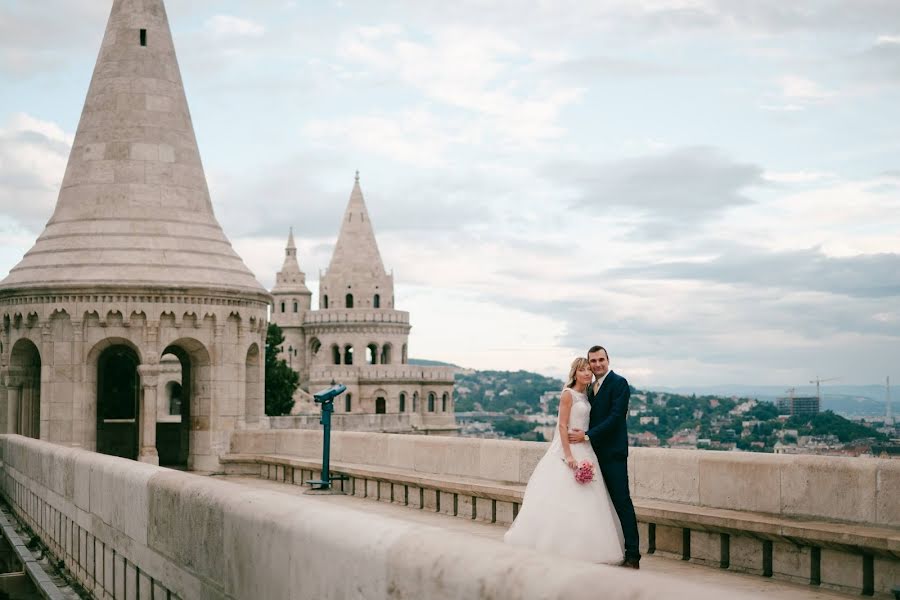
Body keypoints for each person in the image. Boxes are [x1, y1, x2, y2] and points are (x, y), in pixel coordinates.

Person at [504, 357, 624, 564]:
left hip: (586, 449)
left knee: (590, 500)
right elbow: (562, 426)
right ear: (574, 373)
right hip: (570, 449)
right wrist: (568, 455)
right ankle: (558, 544)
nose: (587, 373)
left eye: (589, 370)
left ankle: (585, 546)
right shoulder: (568, 394)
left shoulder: (586, 396)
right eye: (582, 370)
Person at [569, 345, 641, 569]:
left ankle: (632, 555)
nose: (597, 364)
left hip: (613, 454)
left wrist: (587, 436)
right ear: (588, 363)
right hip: (592, 455)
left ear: (608, 360)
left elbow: (616, 418)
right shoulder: (589, 388)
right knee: (600, 504)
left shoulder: (619, 383)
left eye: (601, 360)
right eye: (593, 361)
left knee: (622, 502)